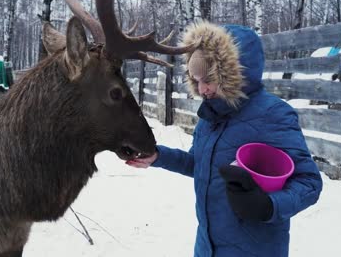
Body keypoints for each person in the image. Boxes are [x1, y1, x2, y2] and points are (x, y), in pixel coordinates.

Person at [126, 21, 323, 257]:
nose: (201, 89)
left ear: (232, 74)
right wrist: (158, 156)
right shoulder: (210, 115)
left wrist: (269, 206)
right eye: (195, 80)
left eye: (208, 79)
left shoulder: (273, 114)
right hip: (207, 247)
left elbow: (309, 182)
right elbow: (199, 165)